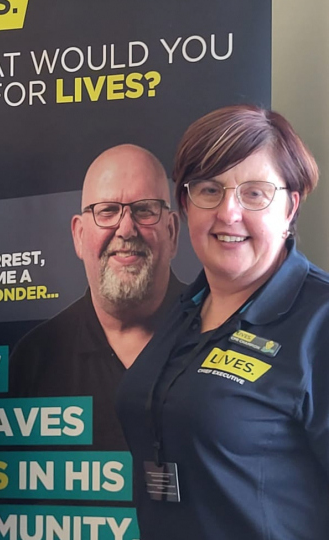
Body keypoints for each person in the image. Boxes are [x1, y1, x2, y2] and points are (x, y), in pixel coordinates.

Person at [116, 105, 327, 539]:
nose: (229, 213)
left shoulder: (319, 320)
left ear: (290, 207)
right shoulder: (185, 308)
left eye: (254, 193)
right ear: (185, 206)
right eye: (210, 190)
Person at [9, 144, 182, 449]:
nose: (127, 229)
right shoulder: (33, 358)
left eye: (144, 210)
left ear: (172, 232)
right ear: (79, 235)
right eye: (107, 211)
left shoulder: (216, 335)